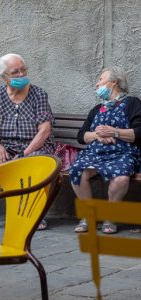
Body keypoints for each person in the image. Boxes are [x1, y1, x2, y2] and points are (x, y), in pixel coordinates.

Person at [0, 53, 54, 231]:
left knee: (36, 163)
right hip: (7, 145)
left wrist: (25, 153)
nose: (21, 75)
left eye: (24, 70)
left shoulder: (38, 94)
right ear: (4, 77)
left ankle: (35, 213)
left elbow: (45, 130)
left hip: (35, 145)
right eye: (15, 72)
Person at [70, 66, 141, 234]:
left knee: (121, 178)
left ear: (113, 82)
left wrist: (114, 132)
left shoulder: (132, 103)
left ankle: (110, 216)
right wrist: (96, 135)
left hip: (122, 153)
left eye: (101, 79)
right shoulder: (96, 109)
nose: (97, 84)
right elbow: (81, 136)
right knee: (77, 171)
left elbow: (139, 133)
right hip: (95, 153)